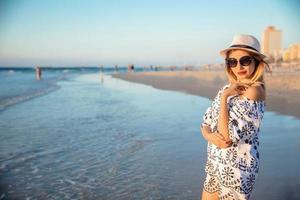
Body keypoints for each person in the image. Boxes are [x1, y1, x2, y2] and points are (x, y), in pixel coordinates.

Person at [200, 34, 271, 200]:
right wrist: (208, 135)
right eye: (232, 61)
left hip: (236, 169)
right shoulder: (228, 88)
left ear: (257, 62)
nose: (238, 66)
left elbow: (227, 137)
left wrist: (225, 98)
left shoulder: (254, 91)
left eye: (245, 60)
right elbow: (205, 122)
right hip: (215, 163)